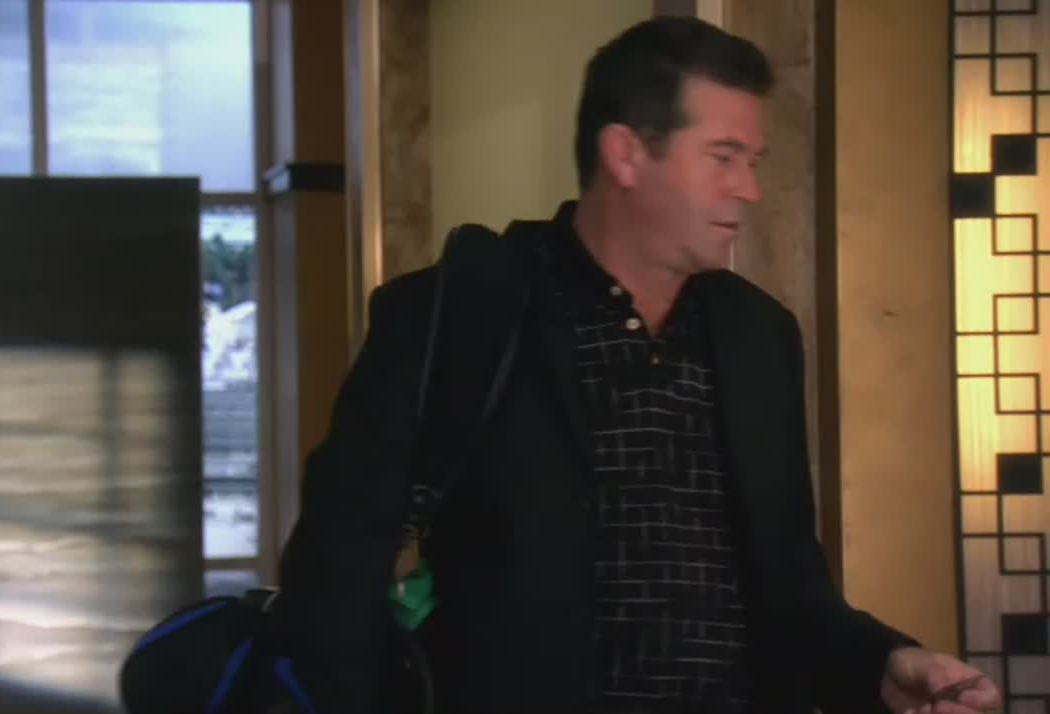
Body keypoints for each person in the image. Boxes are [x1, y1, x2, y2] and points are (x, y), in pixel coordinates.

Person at [276, 15, 1002, 714]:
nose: (748, 189)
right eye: (722, 158)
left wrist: (883, 666)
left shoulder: (758, 336)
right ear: (625, 153)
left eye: (752, 163)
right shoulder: (459, 314)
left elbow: (791, 588)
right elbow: (332, 577)